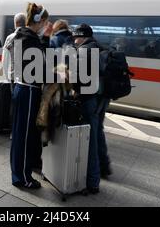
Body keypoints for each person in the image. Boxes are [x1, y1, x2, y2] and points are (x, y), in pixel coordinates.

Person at [10, 3, 52, 189]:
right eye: (45, 21)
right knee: (24, 137)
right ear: (39, 20)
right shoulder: (30, 39)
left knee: (20, 135)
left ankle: (19, 173)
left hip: (22, 88)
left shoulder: (24, 36)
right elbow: (39, 70)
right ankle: (22, 178)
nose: (46, 24)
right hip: (28, 90)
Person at [71, 23, 112, 194]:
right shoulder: (100, 47)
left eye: (75, 37)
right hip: (102, 99)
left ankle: (92, 182)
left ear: (81, 36)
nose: (74, 40)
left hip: (89, 100)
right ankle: (103, 167)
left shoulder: (84, 51)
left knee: (91, 140)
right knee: (98, 133)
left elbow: (77, 79)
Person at [2, 13, 26, 83]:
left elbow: (5, 58)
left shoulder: (10, 38)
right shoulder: (31, 36)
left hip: (13, 75)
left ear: (16, 23)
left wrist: (6, 76)